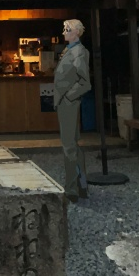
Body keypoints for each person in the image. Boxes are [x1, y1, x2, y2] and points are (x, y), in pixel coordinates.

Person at [53, 19, 91, 203]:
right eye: (64, 29)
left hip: (68, 102)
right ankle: (82, 185)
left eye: (67, 29)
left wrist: (68, 97)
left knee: (68, 146)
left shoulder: (79, 52)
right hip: (64, 102)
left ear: (76, 32)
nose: (64, 32)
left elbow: (85, 82)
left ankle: (72, 189)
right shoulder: (69, 50)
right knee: (73, 145)